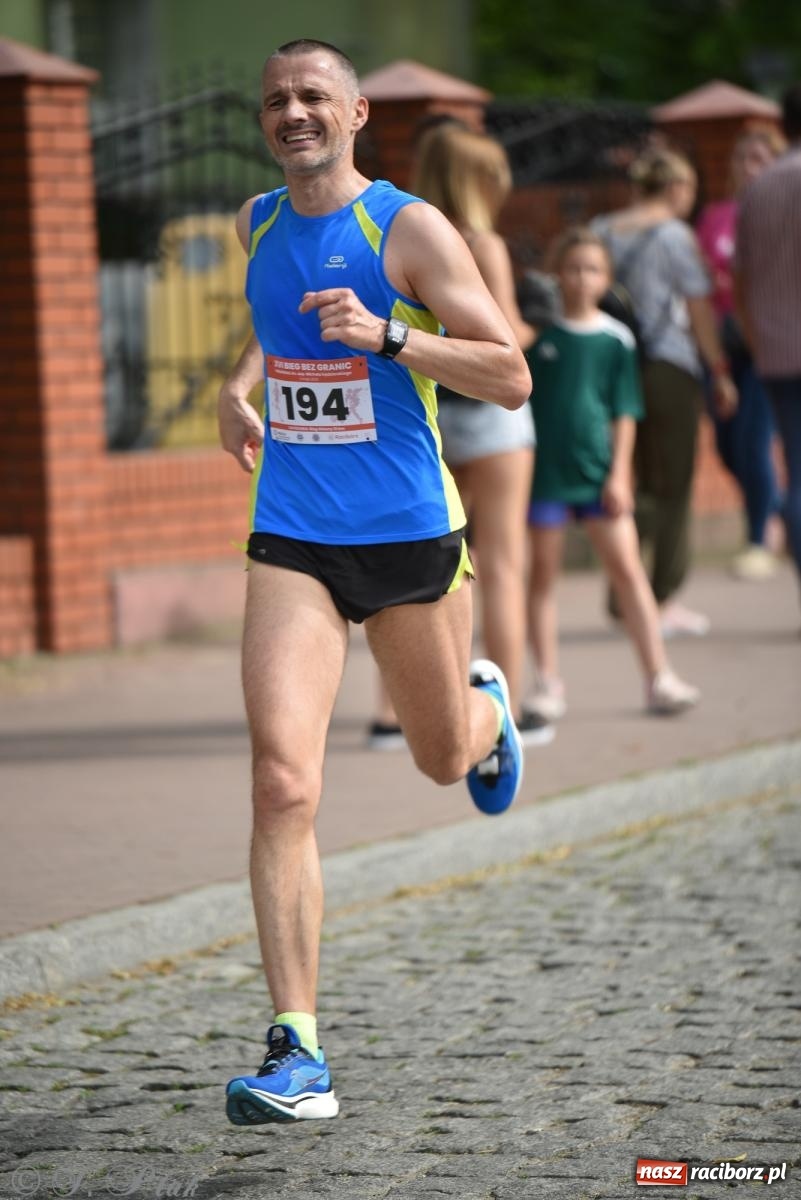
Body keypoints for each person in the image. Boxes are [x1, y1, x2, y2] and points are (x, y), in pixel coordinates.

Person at [216, 39, 533, 1125]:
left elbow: (510, 366)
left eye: (313, 97)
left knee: (442, 758)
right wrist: (237, 385)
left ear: (356, 114)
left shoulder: (407, 228)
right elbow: (279, 316)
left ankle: (490, 715)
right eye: (276, 101)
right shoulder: (257, 221)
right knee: (281, 782)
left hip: (408, 537)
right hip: (294, 533)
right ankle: (297, 1050)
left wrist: (392, 334)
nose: (292, 113)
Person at [407, 121, 551, 746]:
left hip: (432, 409)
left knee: (425, 564)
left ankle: (399, 713)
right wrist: (545, 328)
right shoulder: (481, 245)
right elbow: (507, 340)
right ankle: (506, 709)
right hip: (492, 417)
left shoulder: (400, 239)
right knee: (503, 565)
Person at [524, 228, 700, 721]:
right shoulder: (538, 338)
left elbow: (625, 411)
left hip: (599, 476)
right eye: (573, 268)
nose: (582, 278)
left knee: (628, 573)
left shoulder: (617, 340)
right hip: (545, 478)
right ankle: (547, 685)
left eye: (593, 269)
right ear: (558, 273)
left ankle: (658, 677)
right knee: (541, 579)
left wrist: (619, 475)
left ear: (607, 277)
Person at [591, 149, 737, 639]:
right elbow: (698, 311)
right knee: (672, 486)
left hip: (611, 368)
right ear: (676, 188)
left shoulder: (602, 229)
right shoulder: (676, 236)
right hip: (667, 368)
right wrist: (719, 370)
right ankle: (661, 598)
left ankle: (622, 596)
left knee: (628, 482)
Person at [696, 127, 786, 580]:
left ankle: (759, 539)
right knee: (729, 446)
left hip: (766, 343)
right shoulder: (715, 216)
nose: (751, 167)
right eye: (743, 158)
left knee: (753, 442)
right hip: (722, 343)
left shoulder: (781, 209)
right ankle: (785, 513)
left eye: (761, 158)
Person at [736, 83, 801, 610]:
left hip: (777, 353)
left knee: (796, 471)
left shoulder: (757, 190)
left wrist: (759, 343)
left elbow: (741, 281)